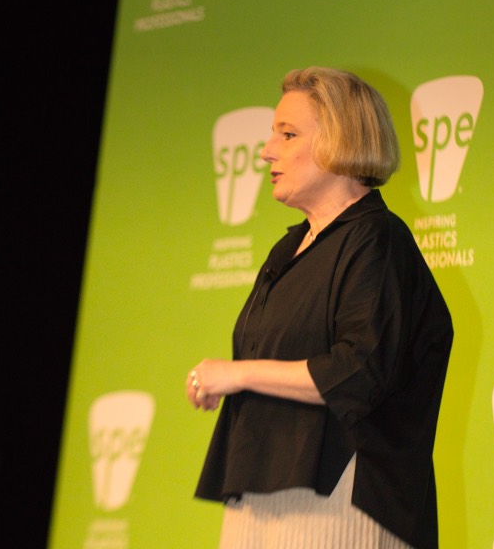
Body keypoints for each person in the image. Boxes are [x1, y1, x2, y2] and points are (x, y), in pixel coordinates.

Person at [186, 67, 453, 549]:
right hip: (260, 493)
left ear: (341, 140)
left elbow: (357, 372)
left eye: (287, 134)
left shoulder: (377, 240)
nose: (266, 150)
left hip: (340, 498)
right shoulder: (288, 249)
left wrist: (238, 374)